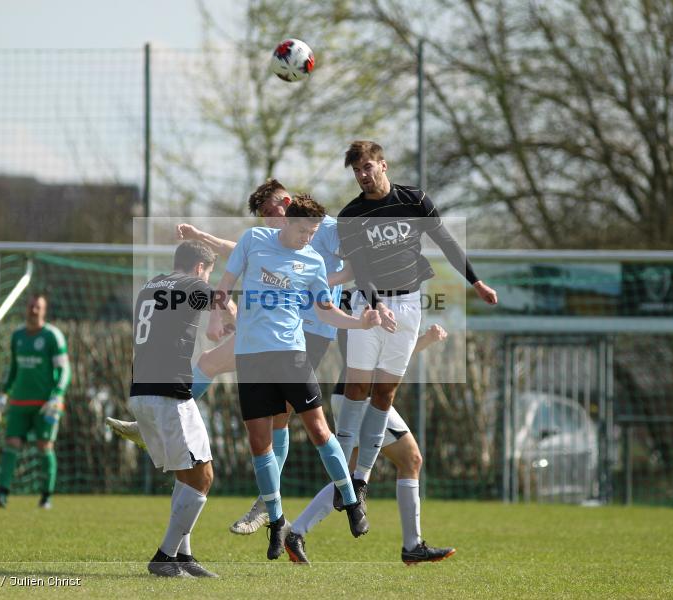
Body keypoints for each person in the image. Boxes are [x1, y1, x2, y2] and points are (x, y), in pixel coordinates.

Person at [108, 178, 352, 535]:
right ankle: (155, 425)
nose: (269, 220)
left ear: (286, 204)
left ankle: (266, 505)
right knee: (208, 363)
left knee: (281, 419)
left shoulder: (324, 230)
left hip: (306, 334)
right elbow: (240, 250)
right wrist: (203, 239)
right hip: (262, 331)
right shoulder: (269, 238)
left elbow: (355, 264)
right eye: (264, 216)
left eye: (271, 212)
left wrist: (340, 292)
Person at [334, 140, 498, 559]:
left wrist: (475, 282)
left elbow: (445, 242)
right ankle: (344, 479)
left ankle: (360, 481)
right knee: (357, 389)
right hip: (370, 305)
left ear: (383, 164)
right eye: (356, 170)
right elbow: (363, 271)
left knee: (385, 395)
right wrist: (374, 305)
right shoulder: (351, 216)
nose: (362, 175)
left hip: (409, 305)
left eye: (367, 166)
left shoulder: (415, 200)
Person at [207, 194, 380, 560]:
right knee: (259, 442)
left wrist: (359, 322)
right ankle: (276, 522)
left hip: (291, 354)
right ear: (286, 222)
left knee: (318, 429)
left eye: (314, 231)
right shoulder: (254, 241)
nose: (308, 237)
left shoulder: (313, 260)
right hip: (251, 357)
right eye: (304, 229)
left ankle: (351, 503)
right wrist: (219, 312)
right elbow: (224, 286)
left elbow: (327, 310)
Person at [285, 324, 456, 565]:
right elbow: (385, 361)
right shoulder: (372, 301)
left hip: (352, 395)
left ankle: (296, 533)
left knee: (349, 477)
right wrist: (426, 340)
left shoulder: (363, 300)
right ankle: (412, 546)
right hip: (364, 400)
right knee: (411, 459)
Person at [131, 240, 236, 578]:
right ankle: (164, 555)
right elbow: (219, 298)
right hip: (169, 394)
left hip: (141, 393)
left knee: (186, 474)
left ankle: (183, 556)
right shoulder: (192, 283)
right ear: (199, 268)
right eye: (208, 272)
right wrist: (233, 322)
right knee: (204, 476)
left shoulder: (150, 286)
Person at [0, 293, 70, 509]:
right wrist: (4, 394)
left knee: (44, 446)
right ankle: (1, 495)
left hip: (46, 404)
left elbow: (64, 369)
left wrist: (57, 394)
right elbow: (14, 369)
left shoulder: (52, 337)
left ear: (44, 310)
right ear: (26, 308)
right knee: (12, 444)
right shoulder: (17, 336)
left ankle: (46, 497)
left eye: (38, 306)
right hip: (20, 402)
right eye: (31, 306)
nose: (34, 310)